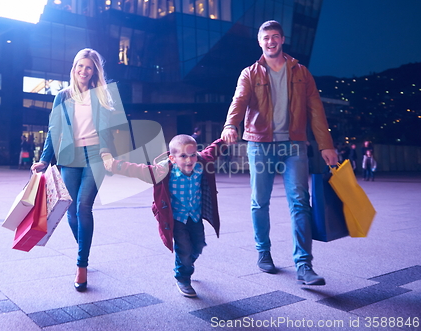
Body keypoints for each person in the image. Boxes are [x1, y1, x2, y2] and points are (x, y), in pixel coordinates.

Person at [221, 20, 338, 286]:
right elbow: (238, 100)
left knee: (299, 202)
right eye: (266, 38)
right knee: (259, 201)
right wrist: (230, 124)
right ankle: (263, 252)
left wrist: (325, 145)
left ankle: (304, 265)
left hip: (294, 145)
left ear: (282, 39)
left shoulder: (301, 73)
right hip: (260, 144)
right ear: (260, 42)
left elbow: (316, 110)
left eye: (275, 36)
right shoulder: (249, 73)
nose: (271, 41)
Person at [31, 48, 115, 292]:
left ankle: (81, 265)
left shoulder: (102, 96)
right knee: (71, 210)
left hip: (96, 156)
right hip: (70, 156)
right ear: (74, 67)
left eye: (88, 67)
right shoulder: (62, 96)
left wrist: (109, 152)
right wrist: (44, 160)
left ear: (94, 71)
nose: (83, 71)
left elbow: (109, 130)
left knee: (83, 206)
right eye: (80, 66)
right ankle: (84, 248)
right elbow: (53, 130)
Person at [104, 135, 223, 298]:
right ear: (172, 158)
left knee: (199, 245)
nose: (189, 160)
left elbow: (212, 150)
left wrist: (225, 138)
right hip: (176, 218)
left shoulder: (201, 164)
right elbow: (139, 169)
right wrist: (115, 165)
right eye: (183, 156)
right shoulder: (162, 171)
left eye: (193, 155)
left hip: (195, 215)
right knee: (184, 249)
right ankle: (182, 277)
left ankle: (185, 263)